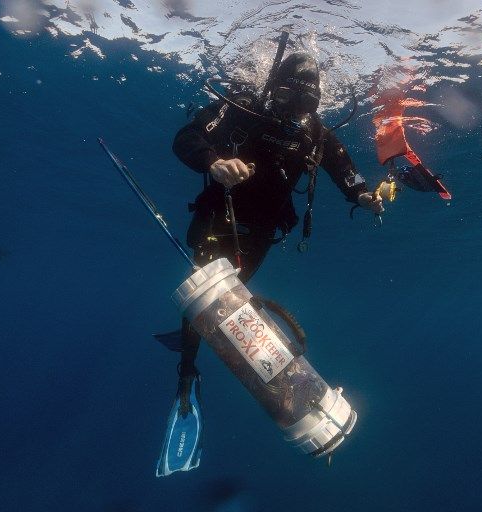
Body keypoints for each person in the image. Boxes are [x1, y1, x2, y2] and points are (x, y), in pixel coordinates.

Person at [157, 52, 382, 475]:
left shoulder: (315, 133)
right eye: (286, 97)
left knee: (230, 304)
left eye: (305, 104)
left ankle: (202, 343)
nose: (294, 113)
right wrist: (215, 162)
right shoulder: (241, 107)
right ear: (271, 88)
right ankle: (186, 375)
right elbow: (185, 139)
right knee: (209, 298)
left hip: (260, 235)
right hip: (218, 221)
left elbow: (345, 171)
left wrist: (365, 197)